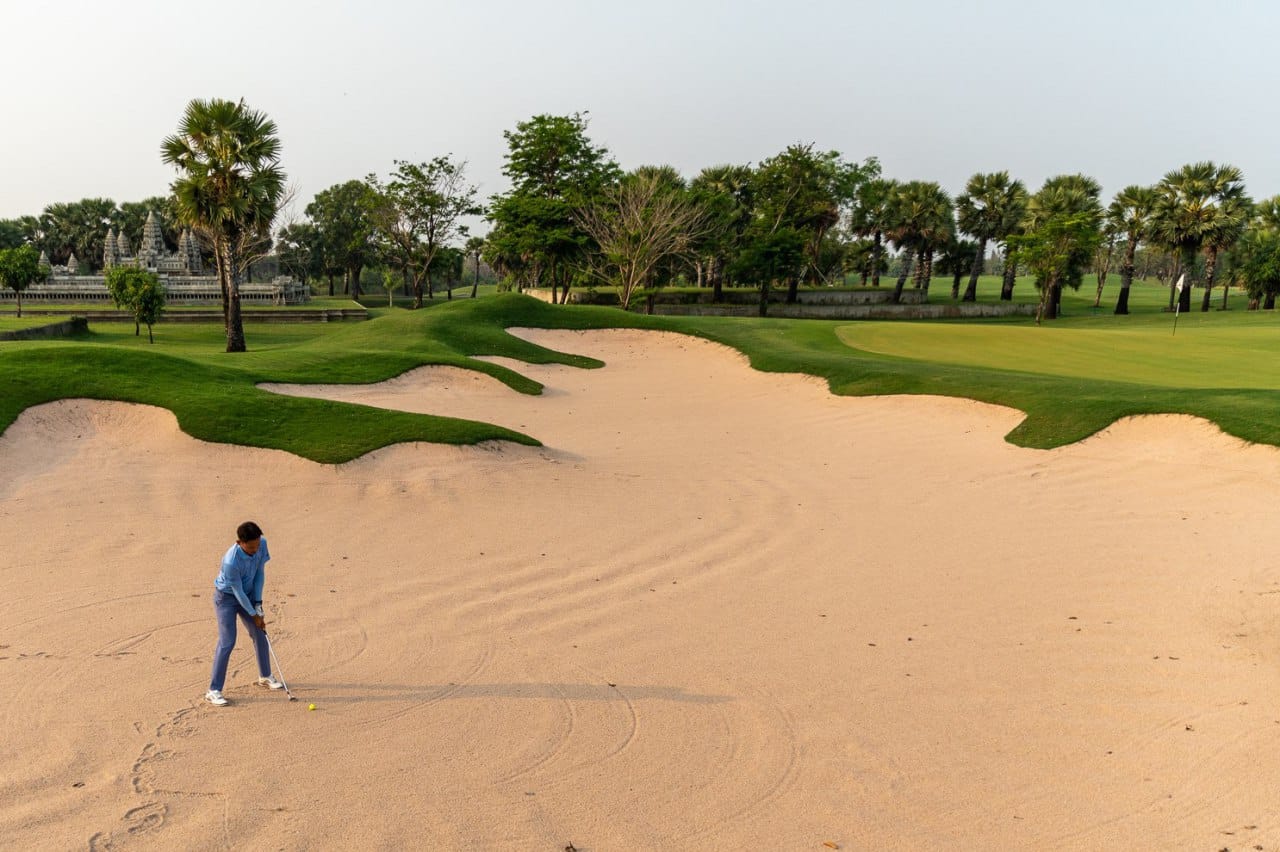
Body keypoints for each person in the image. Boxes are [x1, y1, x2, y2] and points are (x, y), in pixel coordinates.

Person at [205, 521, 283, 706]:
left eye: (257, 545)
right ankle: (213, 690)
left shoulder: (261, 545)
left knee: (260, 634)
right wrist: (253, 614)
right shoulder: (231, 561)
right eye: (250, 547)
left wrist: (258, 604)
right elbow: (237, 591)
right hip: (226, 599)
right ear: (239, 542)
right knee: (227, 641)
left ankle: (265, 676)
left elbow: (259, 574)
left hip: (248, 595)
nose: (255, 550)